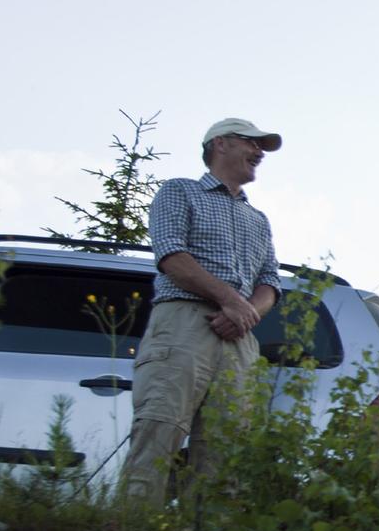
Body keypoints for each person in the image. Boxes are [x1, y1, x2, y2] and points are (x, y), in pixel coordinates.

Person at [121, 117, 283, 506]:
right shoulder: (179, 192)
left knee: (226, 451)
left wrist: (245, 313)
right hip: (183, 323)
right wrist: (230, 301)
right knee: (159, 433)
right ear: (220, 144)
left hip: (239, 337)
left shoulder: (258, 220)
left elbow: (271, 283)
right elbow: (172, 255)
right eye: (252, 142)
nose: (259, 152)